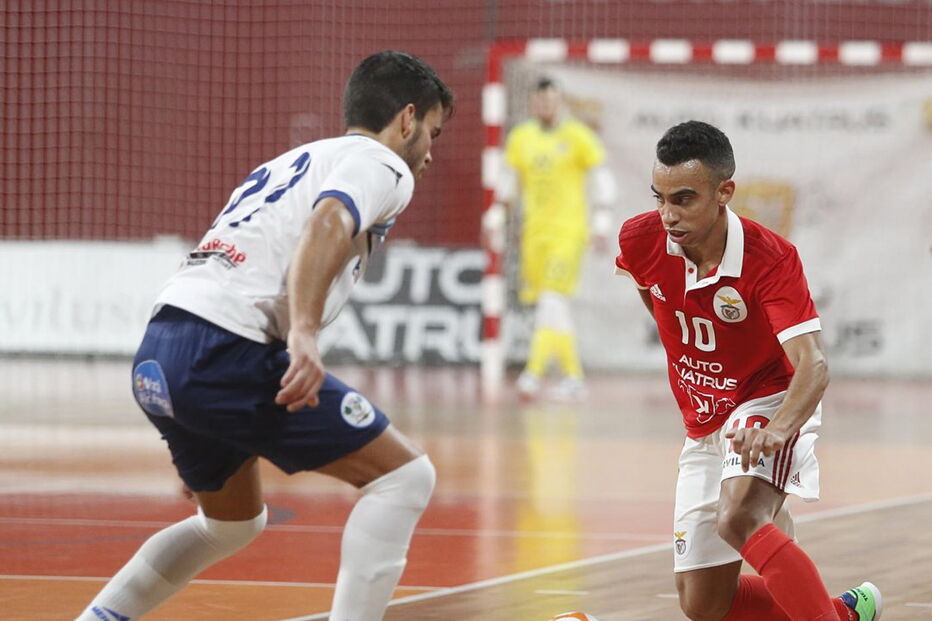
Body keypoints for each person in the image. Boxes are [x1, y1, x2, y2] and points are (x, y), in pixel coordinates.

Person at [74, 50, 453, 621]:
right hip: (225, 350)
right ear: (405, 119)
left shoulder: (287, 162)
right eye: (432, 132)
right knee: (404, 477)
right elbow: (329, 221)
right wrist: (303, 333)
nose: (429, 153)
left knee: (230, 523)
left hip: (162, 351)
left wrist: (203, 413)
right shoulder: (382, 163)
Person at [614, 120, 881, 621]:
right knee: (703, 605)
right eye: (660, 198)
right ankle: (842, 615)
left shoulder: (771, 259)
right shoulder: (639, 238)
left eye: (684, 199)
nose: (668, 215)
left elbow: (813, 366)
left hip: (767, 400)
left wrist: (778, 430)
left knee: (738, 515)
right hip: (703, 423)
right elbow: (653, 297)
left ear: (724, 192)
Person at [483, 77, 616, 401]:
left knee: (551, 300)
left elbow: (602, 179)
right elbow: (509, 182)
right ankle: (573, 377)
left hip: (568, 232)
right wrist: (496, 216)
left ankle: (532, 374)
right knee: (553, 307)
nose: (546, 106)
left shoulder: (578, 137)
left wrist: (601, 222)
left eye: (552, 101)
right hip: (534, 235)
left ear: (560, 102)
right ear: (533, 103)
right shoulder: (521, 138)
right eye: (540, 101)